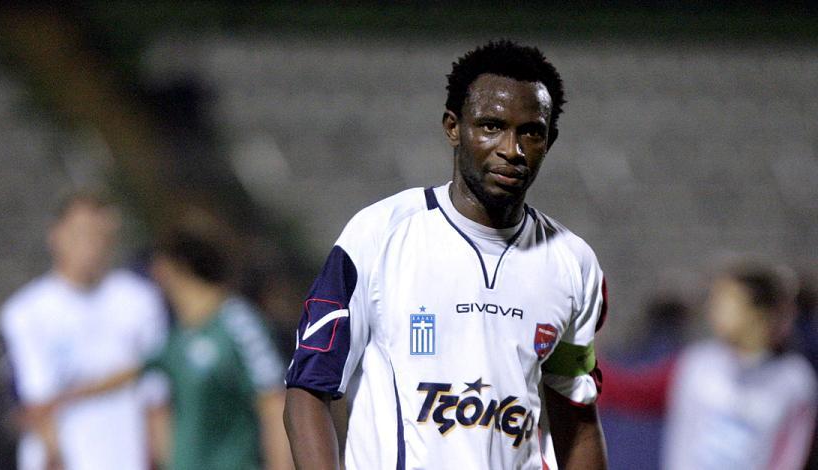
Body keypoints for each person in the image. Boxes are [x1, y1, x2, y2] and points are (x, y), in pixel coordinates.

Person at [283, 40, 608, 470]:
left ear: (550, 141)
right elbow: (308, 390)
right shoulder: (380, 234)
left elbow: (577, 418)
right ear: (453, 127)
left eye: (531, 132)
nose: (511, 149)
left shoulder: (573, 264)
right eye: (491, 126)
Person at [46, 228, 294, 470]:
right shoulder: (178, 336)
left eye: (159, 265)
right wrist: (66, 397)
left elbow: (272, 402)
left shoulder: (238, 322)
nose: (154, 274)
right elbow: (131, 371)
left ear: (177, 267)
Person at [0, 192, 170, 470]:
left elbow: (156, 397)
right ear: (55, 235)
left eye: (99, 235)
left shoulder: (140, 300)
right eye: (80, 233)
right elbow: (38, 405)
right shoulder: (25, 313)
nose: (90, 245)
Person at [600, 261, 817, 470]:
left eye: (726, 301)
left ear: (758, 312)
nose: (713, 309)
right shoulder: (696, 364)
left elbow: (792, 456)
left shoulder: (795, 381)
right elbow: (630, 391)